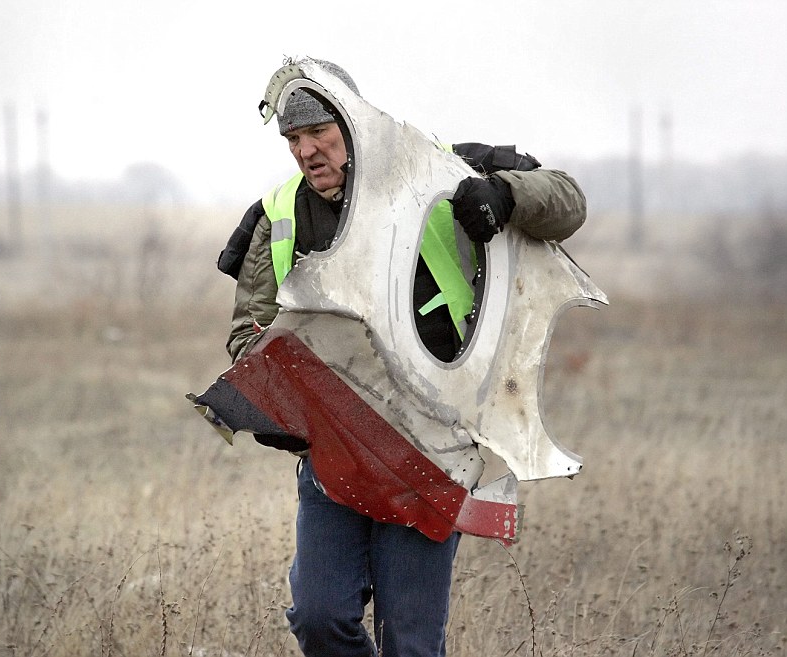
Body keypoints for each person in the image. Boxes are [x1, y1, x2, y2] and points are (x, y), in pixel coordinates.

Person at [215, 59, 586, 657]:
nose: (307, 152)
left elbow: (568, 200)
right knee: (318, 617)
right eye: (293, 139)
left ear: (355, 125)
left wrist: (503, 196)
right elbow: (245, 336)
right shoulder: (276, 216)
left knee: (409, 643)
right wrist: (281, 397)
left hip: (432, 449)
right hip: (335, 451)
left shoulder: (438, 168)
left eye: (321, 134)